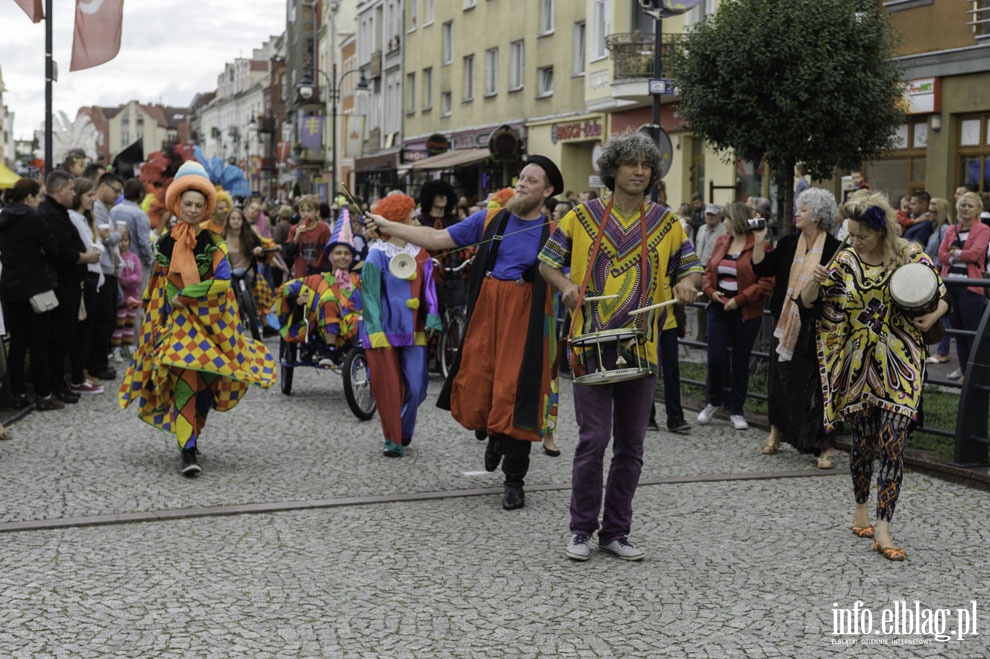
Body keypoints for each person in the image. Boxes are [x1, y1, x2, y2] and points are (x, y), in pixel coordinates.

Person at [366, 155, 564, 511]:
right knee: (482, 382)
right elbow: (436, 237)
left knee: (518, 391)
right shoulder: (490, 218)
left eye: (532, 181)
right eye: (521, 177)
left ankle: (514, 480)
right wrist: (388, 225)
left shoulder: (556, 232)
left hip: (527, 321)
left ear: (548, 191)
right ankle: (494, 436)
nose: (521, 183)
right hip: (488, 313)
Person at [539, 132, 702, 561]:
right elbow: (547, 263)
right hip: (590, 342)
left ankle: (616, 531)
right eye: (631, 164)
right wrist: (567, 287)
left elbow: (690, 268)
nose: (639, 172)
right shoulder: (580, 216)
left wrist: (687, 284)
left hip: (643, 345)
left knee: (632, 445)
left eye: (646, 165)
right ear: (612, 169)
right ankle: (580, 529)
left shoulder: (668, 223)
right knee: (593, 439)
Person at [800, 193, 947, 561]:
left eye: (861, 235)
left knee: (894, 442)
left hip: (902, 363)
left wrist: (932, 317)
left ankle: (883, 527)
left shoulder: (911, 255)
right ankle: (861, 509)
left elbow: (940, 293)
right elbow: (806, 302)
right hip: (857, 363)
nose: (854, 240)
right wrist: (814, 281)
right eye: (850, 233)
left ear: (882, 232)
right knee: (864, 442)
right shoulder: (846, 258)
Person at [118, 161, 276, 476]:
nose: (191, 209)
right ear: (177, 205)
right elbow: (159, 282)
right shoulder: (164, 242)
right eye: (187, 204)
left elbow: (223, 280)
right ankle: (187, 450)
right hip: (177, 327)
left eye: (198, 205)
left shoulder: (212, 243)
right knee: (185, 382)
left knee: (205, 387)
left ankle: (191, 436)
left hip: (212, 325)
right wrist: (150, 309)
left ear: (206, 208)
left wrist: (189, 294)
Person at [752, 188, 841, 467]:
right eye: (798, 208)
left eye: (803, 209)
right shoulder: (789, 243)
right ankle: (777, 431)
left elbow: (841, 288)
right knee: (780, 381)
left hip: (817, 323)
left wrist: (826, 280)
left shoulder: (836, 248)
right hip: (785, 321)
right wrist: (759, 241)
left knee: (816, 384)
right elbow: (762, 269)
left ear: (818, 215)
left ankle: (824, 445)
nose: (797, 213)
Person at [359, 193, 441, 458]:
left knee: (416, 386)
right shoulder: (376, 256)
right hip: (383, 331)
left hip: (414, 329)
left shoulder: (420, 252)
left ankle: (403, 428)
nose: (418, 223)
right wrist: (375, 330)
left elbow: (429, 287)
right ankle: (392, 439)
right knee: (388, 388)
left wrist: (432, 314)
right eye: (413, 218)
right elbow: (369, 295)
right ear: (397, 221)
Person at [697, 201, 774, 430]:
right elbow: (709, 271)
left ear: (736, 220)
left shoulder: (761, 245)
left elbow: (766, 282)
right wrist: (711, 292)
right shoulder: (722, 241)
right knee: (715, 357)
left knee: (741, 361)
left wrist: (738, 300)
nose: (724, 222)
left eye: (727, 218)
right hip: (718, 307)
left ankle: (737, 410)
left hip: (746, 311)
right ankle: (713, 402)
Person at [0, 178, 64, 411]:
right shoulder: (33, 219)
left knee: (17, 344)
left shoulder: (3, 216)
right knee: (39, 344)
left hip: (9, 288)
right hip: (35, 287)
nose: (40, 201)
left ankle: (18, 394)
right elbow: (54, 248)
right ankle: (43, 395)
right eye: (38, 197)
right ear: (29, 198)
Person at [39, 170, 102, 405]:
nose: (74, 194)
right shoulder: (51, 215)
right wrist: (85, 258)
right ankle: (55, 385)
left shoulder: (59, 213)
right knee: (59, 337)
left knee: (65, 336)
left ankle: (59, 383)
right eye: (72, 189)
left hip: (70, 282)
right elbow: (59, 251)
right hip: (62, 283)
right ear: (60, 190)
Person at [938, 192, 989, 383]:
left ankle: (974, 374)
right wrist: (956, 256)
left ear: (978, 209)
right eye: (962, 205)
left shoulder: (983, 229)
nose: (965, 208)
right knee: (957, 331)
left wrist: (956, 252)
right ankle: (963, 370)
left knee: (971, 332)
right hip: (951, 284)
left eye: (969, 205)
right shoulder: (951, 229)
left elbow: (975, 254)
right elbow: (941, 254)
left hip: (971, 285)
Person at [67, 177, 105, 395]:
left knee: (88, 329)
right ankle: (77, 375)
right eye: (89, 195)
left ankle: (81, 373)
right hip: (87, 277)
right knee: (82, 330)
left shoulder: (85, 218)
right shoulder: (75, 218)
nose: (93, 199)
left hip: (94, 277)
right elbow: (90, 248)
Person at [89, 172, 124, 381]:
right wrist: (120, 235)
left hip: (109, 268)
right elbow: (107, 238)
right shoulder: (97, 208)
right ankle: (97, 364)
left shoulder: (105, 209)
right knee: (103, 319)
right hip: (102, 268)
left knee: (108, 318)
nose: (117, 195)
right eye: (116, 190)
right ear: (103, 186)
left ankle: (100, 362)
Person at [925, 197, 953, 364]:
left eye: (933, 211)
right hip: (933, 272)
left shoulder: (944, 229)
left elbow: (943, 254)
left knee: (944, 314)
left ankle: (942, 350)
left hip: (939, 273)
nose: (929, 214)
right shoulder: (935, 228)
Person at [112, 229, 142, 362]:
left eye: (126, 240)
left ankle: (128, 346)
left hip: (133, 296)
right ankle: (116, 348)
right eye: (121, 240)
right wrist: (128, 280)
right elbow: (118, 277)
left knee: (130, 323)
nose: (123, 243)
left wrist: (127, 280)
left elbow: (138, 275)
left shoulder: (134, 257)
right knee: (119, 324)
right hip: (122, 297)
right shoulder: (116, 257)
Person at [285, 194, 332, 277]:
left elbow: (329, 251)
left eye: (309, 211)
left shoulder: (323, 229)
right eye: (302, 211)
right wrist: (296, 238)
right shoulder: (294, 229)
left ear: (317, 213)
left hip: (319, 274)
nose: (306, 214)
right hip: (300, 274)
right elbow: (288, 254)